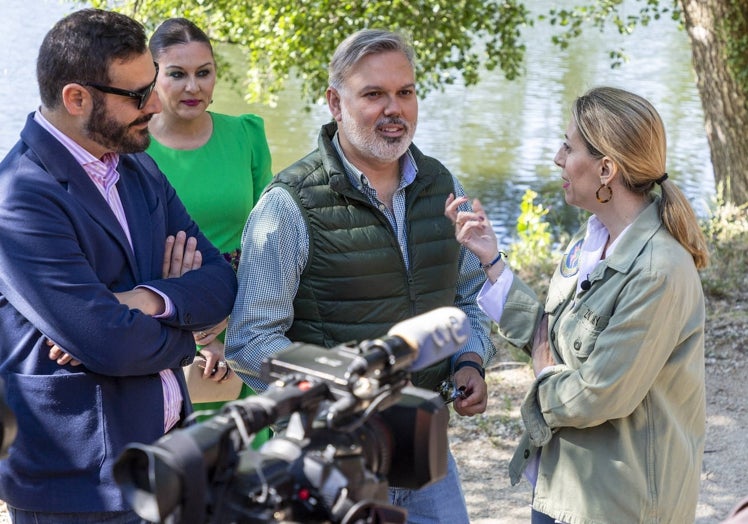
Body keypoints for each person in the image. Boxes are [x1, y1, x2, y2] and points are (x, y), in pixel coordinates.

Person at [226, 28, 496, 522]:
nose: (395, 109)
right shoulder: (288, 206)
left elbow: (470, 295)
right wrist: (340, 394)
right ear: (335, 101)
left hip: (425, 452)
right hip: (329, 461)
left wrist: (470, 360)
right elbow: (249, 342)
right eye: (374, 94)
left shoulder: (442, 186)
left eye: (405, 92)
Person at [0, 8, 237, 523]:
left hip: (171, 455)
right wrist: (186, 333)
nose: (155, 104)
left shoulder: (139, 166)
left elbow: (220, 282)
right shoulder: (19, 196)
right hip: (83, 485)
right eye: (136, 95)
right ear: (76, 98)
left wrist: (146, 298)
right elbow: (104, 339)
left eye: (152, 85)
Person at [446, 86, 709, 523]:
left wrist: (541, 376)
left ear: (606, 168)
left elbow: (598, 393)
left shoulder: (658, 271)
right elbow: (549, 334)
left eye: (569, 147)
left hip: (619, 507)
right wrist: (491, 260)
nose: (557, 157)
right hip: (565, 491)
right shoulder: (592, 241)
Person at [146, 17, 273, 427]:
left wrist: (229, 325)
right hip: (162, 325)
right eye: (177, 74)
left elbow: (268, 241)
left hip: (242, 316)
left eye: (204, 73)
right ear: (152, 77)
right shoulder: (130, 149)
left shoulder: (246, 134)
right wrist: (197, 329)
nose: (193, 87)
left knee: (248, 464)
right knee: (175, 466)